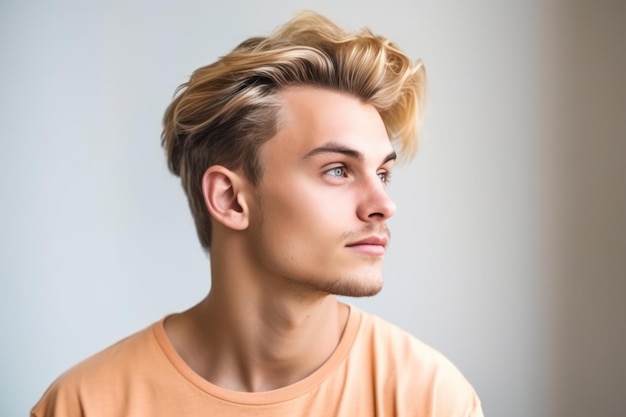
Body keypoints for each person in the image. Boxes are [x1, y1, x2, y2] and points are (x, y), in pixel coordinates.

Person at [32, 11, 483, 417]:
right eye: (338, 170)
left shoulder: (429, 399)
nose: (383, 204)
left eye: (382, 173)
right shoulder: (85, 404)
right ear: (229, 199)